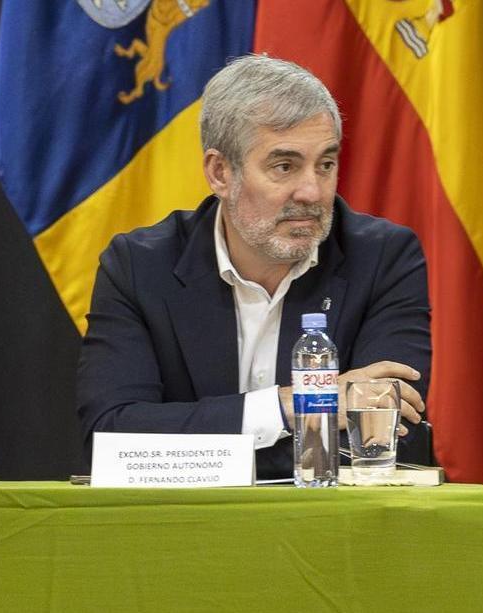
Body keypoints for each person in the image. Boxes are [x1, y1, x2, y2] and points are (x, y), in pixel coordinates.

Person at [77, 55, 431, 480]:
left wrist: (189, 451)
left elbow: (385, 440)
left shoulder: (383, 258)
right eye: (284, 166)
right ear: (220, 173)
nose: (312, 191)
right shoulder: (140, 267)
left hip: (330, 520)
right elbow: (113, 440)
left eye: (326, 164)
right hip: (184, 520)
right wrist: (291, 407)